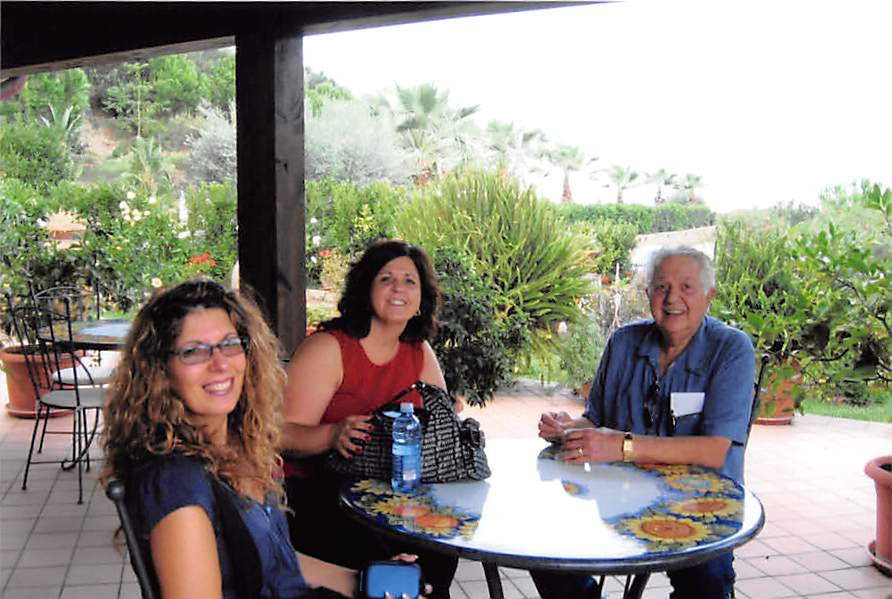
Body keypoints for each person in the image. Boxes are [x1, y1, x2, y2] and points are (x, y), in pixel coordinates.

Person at [101, 278, 403, 599]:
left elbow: (279, 566)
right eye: (193, 351)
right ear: (161, 370)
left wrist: (371, 582)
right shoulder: (176, 482)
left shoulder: (239, 443)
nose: (220, 363)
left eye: (230, 343)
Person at [532, 245, 756, 599]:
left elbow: (714, 451)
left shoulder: (730, 349)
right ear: (649, 294)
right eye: (662, 287)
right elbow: (596, 419)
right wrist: (568, 428)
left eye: (686, 287)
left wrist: (621, 446)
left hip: (698, 505)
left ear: (709, 296)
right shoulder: (624, 342)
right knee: (547, 551)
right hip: (620, 495)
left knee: (707, 580)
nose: (672, 298)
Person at [281, 240, 458, 599]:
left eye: (410, 281)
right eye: (386, 278)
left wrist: (446, 416)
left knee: (440, 548)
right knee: (383, 556)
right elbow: (277, 434)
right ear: (366, 289)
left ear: (421, 299)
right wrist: (332, 435)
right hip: (314, 495)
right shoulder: (329, 348)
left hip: (386, 493)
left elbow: (443, 422)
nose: (398, 289)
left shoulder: (418, 351)